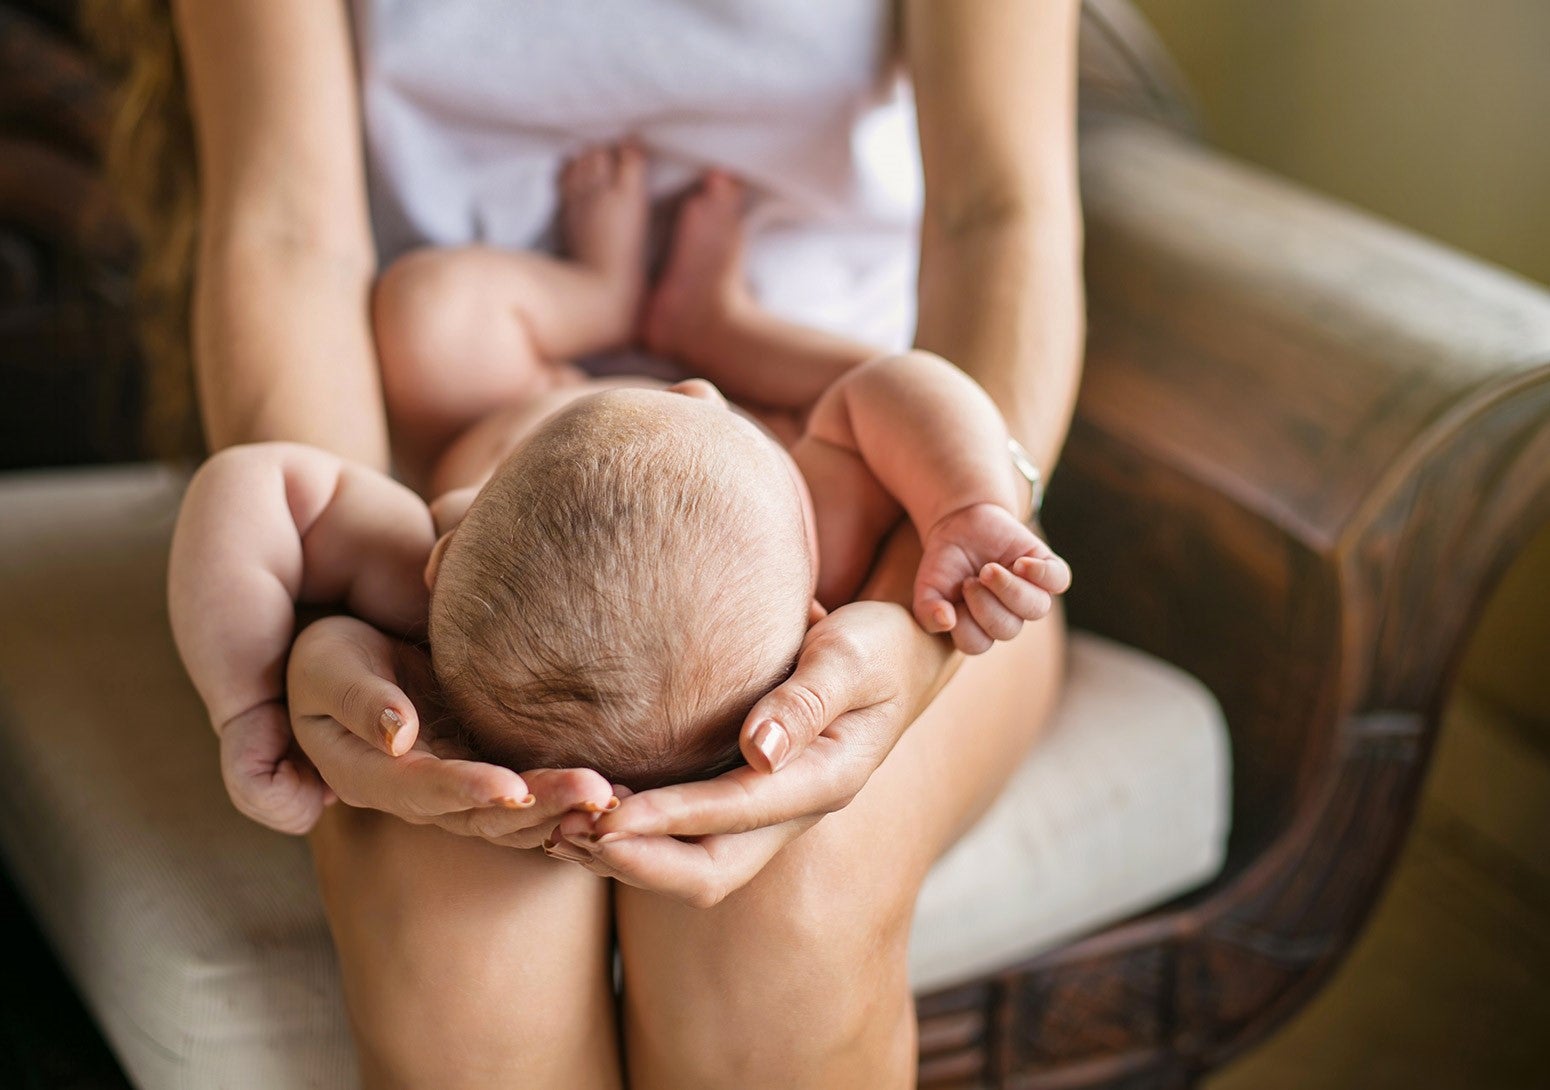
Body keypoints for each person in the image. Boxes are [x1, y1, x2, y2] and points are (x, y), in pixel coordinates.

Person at [141, 2, 1084, 1085]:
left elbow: (997, 214)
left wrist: (947, 561)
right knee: (461, 935)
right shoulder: (443, 542)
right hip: (487, 536)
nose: (681, 390)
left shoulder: (833, 491)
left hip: (890, 508)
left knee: (787, 902)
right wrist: (322, 625)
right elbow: (285, 227)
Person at [166, 147, 1071, 796]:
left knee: (427, 317)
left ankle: (601, 289)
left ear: (452, 541)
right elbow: (899, 383)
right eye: (702, 399)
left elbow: (252, 490)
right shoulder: (814, 537)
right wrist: (966, 503)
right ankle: (723, 323)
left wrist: (248, 703)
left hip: (512, 389)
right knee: (850, 404)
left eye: (677, 386)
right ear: (811, 618)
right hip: (789, 431)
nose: (694, 387)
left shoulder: (425, 578)